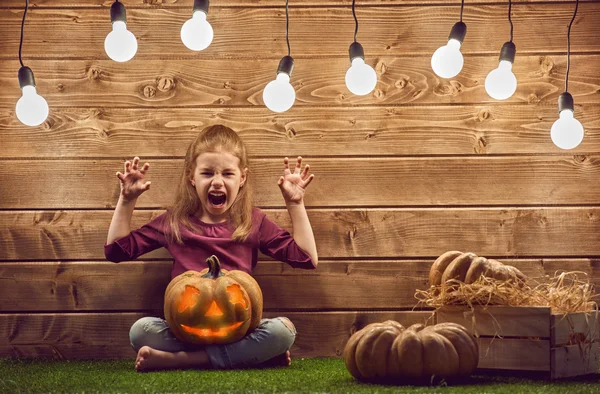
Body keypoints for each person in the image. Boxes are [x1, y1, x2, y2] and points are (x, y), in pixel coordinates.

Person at [104, 124, 318, 372]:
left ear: (242, 178)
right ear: (192, 178)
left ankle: (183, 361)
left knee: (283, 331)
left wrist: (295, 204)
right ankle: (248, 357)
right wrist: (127, 201)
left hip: (239, 329)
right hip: (186, 329)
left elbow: (306, 258)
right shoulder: (174, 222)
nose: (217, 182)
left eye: (228, 174)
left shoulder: (253, 222)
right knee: (140, 331)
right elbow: (116, 251)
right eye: (207, 173)